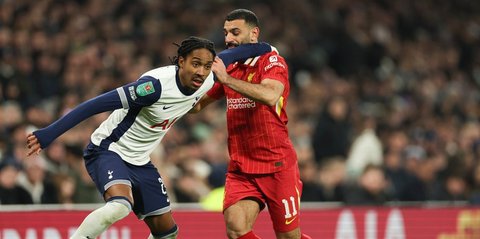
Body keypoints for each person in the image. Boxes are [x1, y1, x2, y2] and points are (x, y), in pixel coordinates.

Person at [26, 36, 272, 239]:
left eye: (206, 66)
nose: (201, 71)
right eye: (195, 64)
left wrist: (269, 50)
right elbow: (94, 105)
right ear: (181, 61)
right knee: (120, 206)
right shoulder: (153, 87)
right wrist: (49, 134)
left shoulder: (209, 77)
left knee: (167, 233)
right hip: (108, 150)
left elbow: (237, 54)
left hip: (140, 160)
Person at [191, 9, 311, 239]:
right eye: (225, 33)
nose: (228, 39)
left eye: (235, 32)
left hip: (277, 166)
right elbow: (197, 106)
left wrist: (226, 79)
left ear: (254, 33)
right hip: (242, 168)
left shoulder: (271, 61)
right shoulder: (231, 66)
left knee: (288, 237)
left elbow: (270, 95)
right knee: (236, 229)